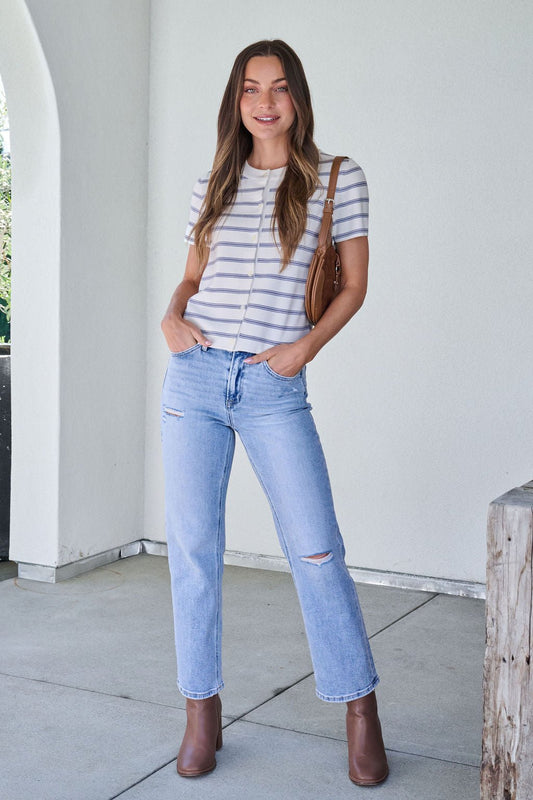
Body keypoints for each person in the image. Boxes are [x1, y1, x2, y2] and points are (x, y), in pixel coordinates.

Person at [160, 39, 388, 787]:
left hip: (269, 384)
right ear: (236, 101)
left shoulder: (333, 180)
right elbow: (192, 277)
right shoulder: (212, 184)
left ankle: (358, 708)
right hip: (195, 380)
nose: (264, 102)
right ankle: (200, 710)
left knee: (315, 549)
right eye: (251, 89)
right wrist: (171, 319)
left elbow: (351, 285)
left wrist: (304, 349)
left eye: (279, 88)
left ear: (298, 99)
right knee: (192, 552)